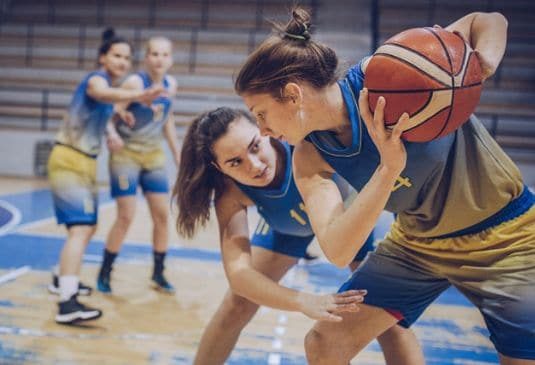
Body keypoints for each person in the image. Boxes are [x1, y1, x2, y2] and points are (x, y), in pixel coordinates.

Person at [235, 8, 535, 365]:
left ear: (293, 94)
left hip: (507, 237)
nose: (264, 131)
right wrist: (388, 170)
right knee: (325, 341)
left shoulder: (389, 73)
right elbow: (338, 249)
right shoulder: (309, 156)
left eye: (261, 114)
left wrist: (479, 64)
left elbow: (489, 20)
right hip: (417, 245)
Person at [173, 107, 424, 365]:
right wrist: (302, 300)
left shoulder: (303, 141)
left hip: (350, 224)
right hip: (290, 231)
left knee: (386, 321)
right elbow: (239, 275)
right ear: (219, 167)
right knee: (236, 304)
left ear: (264, 131)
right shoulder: (230, 192)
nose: (255, 165)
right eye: (235, 162)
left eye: (255, 146)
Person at [47, 28, 163, 324]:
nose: (123, 62)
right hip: (69, 159)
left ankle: (61, 279)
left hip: (84, 163)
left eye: (127, 57)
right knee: (81, 230)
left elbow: (102, 109)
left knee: (89, 226)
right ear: (103, 57)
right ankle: (67, 304)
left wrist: (113, 127)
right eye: (117, 55)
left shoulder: (111, 90)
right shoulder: (96, 79)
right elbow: (100, 93)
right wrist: (139, 94)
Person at [96, 36, 180, 294]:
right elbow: (109, 113)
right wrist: (112, 133)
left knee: (162, 216)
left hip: (153, 155)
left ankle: (158, 272)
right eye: (154, 53)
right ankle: (105, 271)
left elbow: (166, 119)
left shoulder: (171, 85)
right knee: (126, 215)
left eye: (164, 54)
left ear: (171, 60)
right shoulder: (135, 82)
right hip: (127, 155)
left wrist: (178, 155)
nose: (159, 59)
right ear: (146, 58)